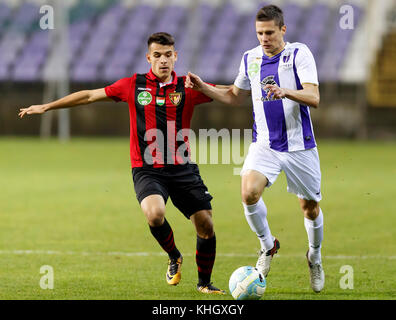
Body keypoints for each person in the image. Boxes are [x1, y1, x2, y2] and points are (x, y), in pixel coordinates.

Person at [19, 32, 225, 295]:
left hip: (182, 167)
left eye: (168, 55)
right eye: (158, 55)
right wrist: (48, 106)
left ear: (176, 57)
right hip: (147, 169)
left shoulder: (189, 86)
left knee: (206, 225)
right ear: (148, 57)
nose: (163, 60)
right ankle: (174, 256)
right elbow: (90, 96)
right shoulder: (133, 85)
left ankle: (204, 284)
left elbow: (230, 93)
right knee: (154, 214)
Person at [185, 5, 325, 293]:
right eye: (260, 33)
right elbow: (236, 96)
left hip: (300, 147)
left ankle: (314, 255)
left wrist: (287, 91)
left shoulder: (299, 54)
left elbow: (314, 97)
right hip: (265, 145)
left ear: (282, 30)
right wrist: (203, 88)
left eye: (270, 32)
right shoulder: (250, 58)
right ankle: (267, 245)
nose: (264, 38)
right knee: (248, 192)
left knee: (309, 208)